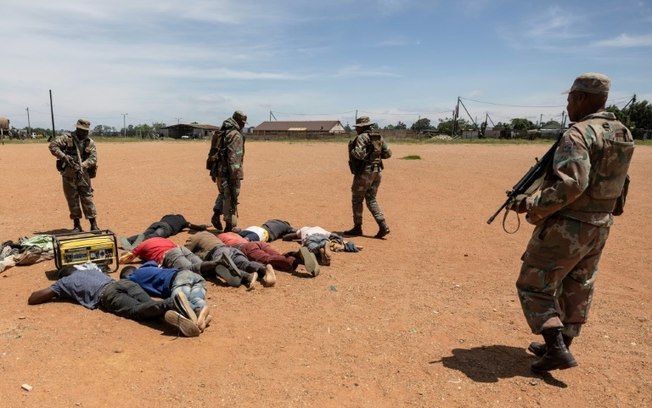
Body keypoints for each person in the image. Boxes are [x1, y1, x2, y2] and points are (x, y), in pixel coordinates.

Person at [512, 73, 634, 373]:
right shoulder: (622, 132)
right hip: (600, 223)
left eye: (569, 99)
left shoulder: (578, 133)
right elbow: (622, 180)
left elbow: (572, 184)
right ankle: (564, 342)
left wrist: (530, 203)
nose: (567, 106)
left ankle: (555, 348)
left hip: (569, 224)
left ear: (581, 98)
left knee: (533, 284)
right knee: (578, 283)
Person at [27, 262, 200, 337]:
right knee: (149, 305)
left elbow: (33, 299)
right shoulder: (92, 270)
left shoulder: (64, 282)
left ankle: (172, 302)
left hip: (108, 295)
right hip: (123, 283)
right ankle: (183, 312)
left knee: (136, 311)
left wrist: (57, 289)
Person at [120, 262, 212, 332]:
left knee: (178, 302)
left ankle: (197, 311)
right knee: (195, 299)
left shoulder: (131, 278)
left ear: (127, 276)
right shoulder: (146, 267)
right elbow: (153, 262)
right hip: (195, 277)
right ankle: (202, 314)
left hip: (179, 278)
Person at [344, 116, 392, 239]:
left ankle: (357, 227)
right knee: (371, 199)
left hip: (364, 172)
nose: (356, 130)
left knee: (357, 199)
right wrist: (374, 155)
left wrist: (353, 151)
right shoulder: (379, 137)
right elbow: (388, 154)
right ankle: (383, 225)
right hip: (377, 172)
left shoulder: (361, 138)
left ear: (362, 127)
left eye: (357, 128)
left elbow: (358, 154)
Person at [48, 119, 100, 232]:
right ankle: (77, 225)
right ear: (77, 129)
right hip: (68, 175)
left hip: (83, 175)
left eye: (86, 131)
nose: (84, 133)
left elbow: (93, 158)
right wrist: (64, 157)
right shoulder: (67, 138)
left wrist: (82, 166)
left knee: (87, 198)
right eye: (81, 130)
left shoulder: (89, 142)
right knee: (72, 200)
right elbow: (53, 146)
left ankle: (93, 224)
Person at [184, 231, 276, 288]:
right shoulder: (210, 235)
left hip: (217, 252)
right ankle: (263, 269)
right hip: (231, 249)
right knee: (244, 263)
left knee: (221, 267)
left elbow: (186, 252)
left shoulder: (193, 238)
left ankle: (248, 277)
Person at [207, 110, 248, 232]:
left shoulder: (222, 132)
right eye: (242, 122)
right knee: (231, 197)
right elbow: (234, 157)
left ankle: (216, 213)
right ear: (238, 121)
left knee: (223, 194)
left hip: (218, 171)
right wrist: (235, 175)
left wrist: (213, 171)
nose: (243, 125)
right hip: (229, 173)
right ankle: (229, 227)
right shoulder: (235, 135)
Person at [219, 231, 320, 277]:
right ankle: (296, 254)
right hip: (257, 243)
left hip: (245, 248)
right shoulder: (234, 234)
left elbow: (221, 250)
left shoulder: (218, 238)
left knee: (268, 259)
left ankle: (296, 259)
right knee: (278, 256)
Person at [119, 236, 218, 276]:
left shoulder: (141, 246)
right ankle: (217, 267)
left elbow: (125, 259)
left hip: (170, 254)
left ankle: (217, 262)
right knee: (200, 264)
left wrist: (134, 254)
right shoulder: (159, 238)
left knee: (189, 269)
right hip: (180, 248)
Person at [120, 214, 208, 250]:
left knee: (144, 234)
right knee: (153, 237)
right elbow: (193, 226)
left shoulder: (168, 216)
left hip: (157, 223)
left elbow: (163, 218)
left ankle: (129, 240)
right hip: (166, 228)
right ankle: (136, 247)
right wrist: (203, 227)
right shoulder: (183, 221)